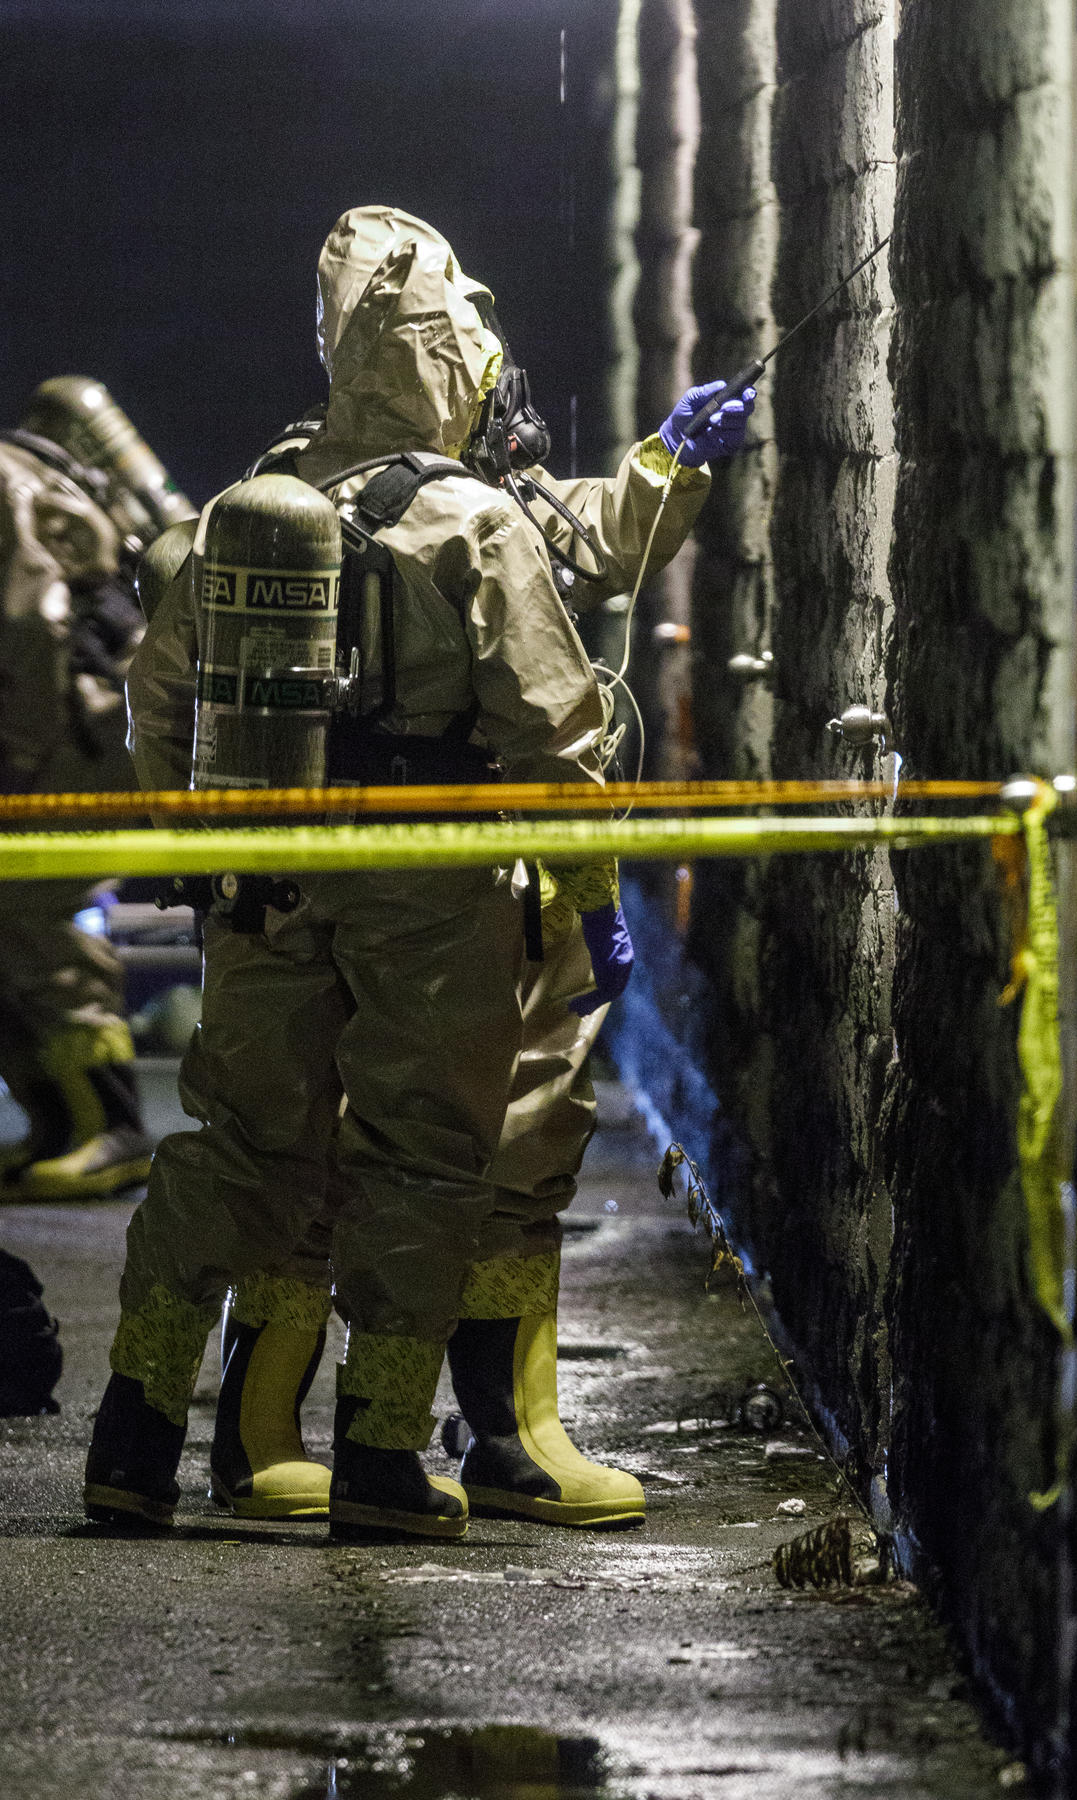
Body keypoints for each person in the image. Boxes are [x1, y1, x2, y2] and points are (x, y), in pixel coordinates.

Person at [117, 208, 753, 1530]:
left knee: (242, 1147)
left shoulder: (259, 506)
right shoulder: (469, 520)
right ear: (450, 355)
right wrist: (595, 904)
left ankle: (132, 1438)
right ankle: (384, 1458)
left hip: (271, 881)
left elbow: (159, 693)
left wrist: (195, 847)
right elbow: (556, 731)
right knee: (421, 1160)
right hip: (428, 885)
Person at [0, 383, 193, 1199]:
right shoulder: (35, 478)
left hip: (75, 726)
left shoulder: (7, 479)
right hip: (91, 717)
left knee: (29, 910)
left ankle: (109, 1129)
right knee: (15, 922)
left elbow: (30, 617)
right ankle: (58, 1126)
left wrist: (16, 757)